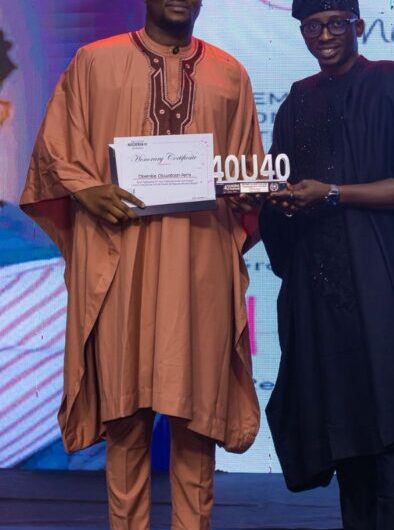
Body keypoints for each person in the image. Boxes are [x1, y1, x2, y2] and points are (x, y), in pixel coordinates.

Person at [20, 1, 263, 528]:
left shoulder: (230, 74)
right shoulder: (94, 61)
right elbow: (56, 150)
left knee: (198, 418)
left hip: (198, 262)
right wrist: (86, 190)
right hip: (120, 257)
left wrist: (251, 193)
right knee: (125, 417)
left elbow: (246, 169)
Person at [259, 1, 394, 528]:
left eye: (335, 23)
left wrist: (331, 193)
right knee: (343, 424)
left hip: (380, 280)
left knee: (389, 425)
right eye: (312, 26)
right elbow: (284, 186)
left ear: (358, 25)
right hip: (320, 288)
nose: (324, 35)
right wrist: (278, 200)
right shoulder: (297, 100)